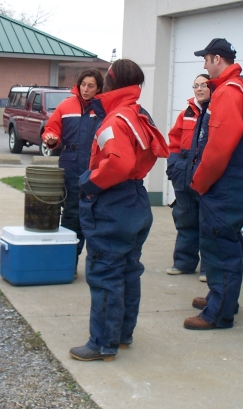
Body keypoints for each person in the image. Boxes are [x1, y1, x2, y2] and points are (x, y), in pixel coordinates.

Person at [69, 59, 169, 362]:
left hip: (113, 203)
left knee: (104, 273)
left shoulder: (114, 120)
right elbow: (154, 151)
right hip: (135, 200)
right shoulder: (137, 114)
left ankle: (102, 343)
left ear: (110, 83)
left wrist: (91, 183)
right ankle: (122, 334)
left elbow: (118, 163)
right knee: (128, 270)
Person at [184, 38, 243, 332]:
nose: (204, 66)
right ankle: (220, 298)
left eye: (206, 60)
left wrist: (199, 182)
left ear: (216, 60)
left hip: (225, 185)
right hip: (235, 182)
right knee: (223, 243)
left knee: (220, 248)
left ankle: (218, 314)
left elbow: (219, 148)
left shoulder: (228, 93)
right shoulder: (231, 89)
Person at [42, 69, 104, 267]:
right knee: (71, 214)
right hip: (70, 165)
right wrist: (51, 140)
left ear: (99, 88)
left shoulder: (103, 109)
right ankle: (69, 263)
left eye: (91, 86)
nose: (86, 89)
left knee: (96, 216)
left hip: (95, 167)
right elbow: (51, 129)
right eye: (83, 84)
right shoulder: (66, 105)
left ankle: (97, 265)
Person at [166, 73, 210, 279]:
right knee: (185, 220)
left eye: (204, 85)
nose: (199, 89)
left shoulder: (217, 112)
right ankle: (184, 263)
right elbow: (174, 141)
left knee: (210, 222)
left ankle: (210, 268)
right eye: (196, 85)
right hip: (183, 175)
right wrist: (173, 166)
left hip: (206, 175)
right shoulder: (187, 113)